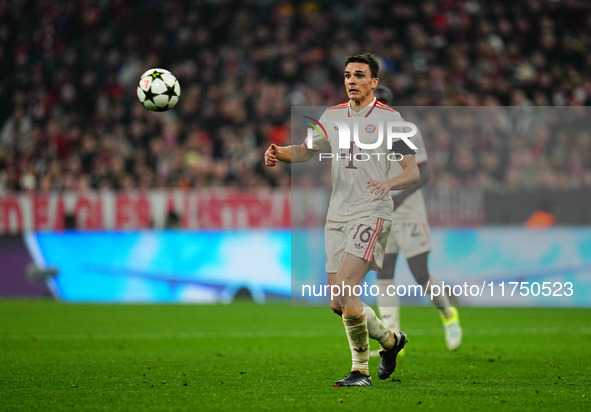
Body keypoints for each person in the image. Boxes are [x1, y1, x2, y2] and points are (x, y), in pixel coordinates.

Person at [265, 53, 420, 386]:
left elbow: (412, 171)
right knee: (338, 302)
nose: (351, 80)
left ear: (374, 82)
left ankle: (360, 371)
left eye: (359, 75)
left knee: (348, 289)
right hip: (338, 214)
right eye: (347, 75)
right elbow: (307, 150)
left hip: (372, 210)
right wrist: (279, 151)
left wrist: (388, 183)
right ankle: (392, 342)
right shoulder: (331, 116)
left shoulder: (390, 119)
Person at [372, 85, 462, 353]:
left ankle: (449, 316)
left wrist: (396, 198)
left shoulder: (405, 130)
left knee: (419, 273)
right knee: (384, 272)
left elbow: (424, 174)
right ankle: (391, 340)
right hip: (382, 212)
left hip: (408, 210)